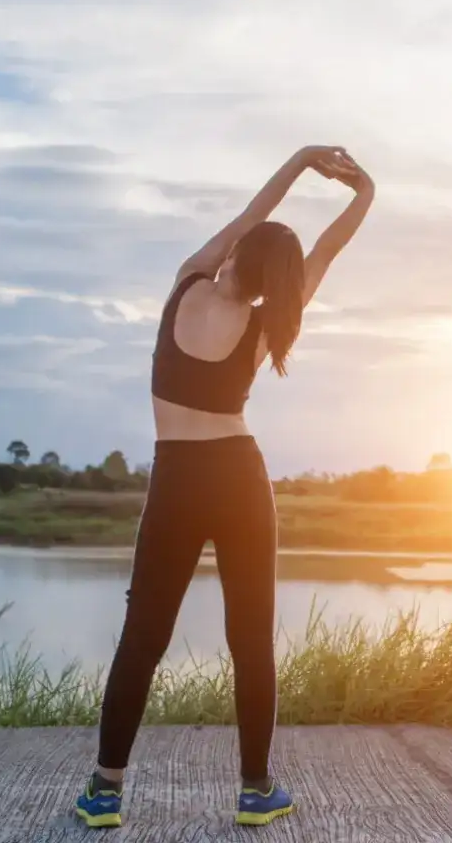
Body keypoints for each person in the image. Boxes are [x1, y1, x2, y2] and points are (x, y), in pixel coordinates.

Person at [74, 144, 375, 830]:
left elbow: (253, 214)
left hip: (177, 478)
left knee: (141, 638)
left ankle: (105, 791)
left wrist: (301, 163)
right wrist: (365, 196)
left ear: (237, 253)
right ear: (278, 282)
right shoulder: (273, 316)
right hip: (240, 477)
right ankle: (254, 790)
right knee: (250, 639)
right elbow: (325, 251)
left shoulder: (187, 282)